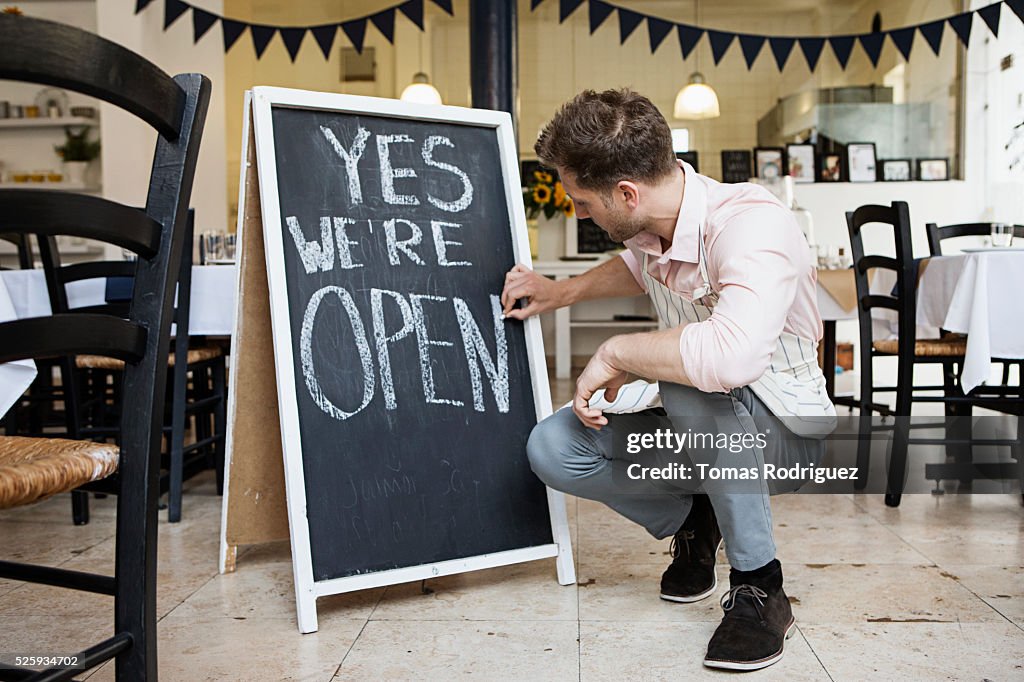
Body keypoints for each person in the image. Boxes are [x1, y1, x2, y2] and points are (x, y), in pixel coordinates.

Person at [501, 89, 835, 671]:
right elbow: (636, 268)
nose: (579, 213)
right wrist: (560, 291)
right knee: (554, 447)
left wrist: (618, 349)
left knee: (687, 372)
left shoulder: (751, 227)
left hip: (785, 430)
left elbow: (726, 357)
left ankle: (761, 586)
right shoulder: (650, 225)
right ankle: (695, 521)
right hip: (702, 426)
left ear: (626, 194)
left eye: (582, 201)